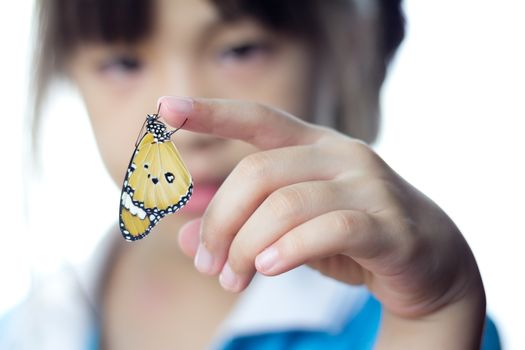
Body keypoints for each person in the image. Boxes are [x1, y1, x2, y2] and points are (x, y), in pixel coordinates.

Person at [0, 0, 501, 349]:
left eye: (240, 50)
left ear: (342, 47)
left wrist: (430, 322)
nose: (184, 126)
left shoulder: (429, 310)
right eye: (125, 61)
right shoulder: (26, 332)